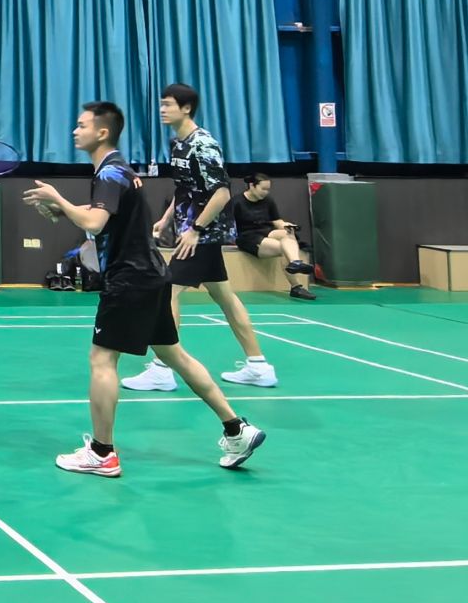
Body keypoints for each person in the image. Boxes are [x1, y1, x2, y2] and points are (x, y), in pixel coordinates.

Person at [23, 101, 267, 477]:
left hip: (129, 280)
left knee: (102, 360)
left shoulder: (109, 172)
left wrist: (59, 200)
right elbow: (106, 216)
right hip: (152, 276)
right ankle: (236, 429)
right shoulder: (120, 169)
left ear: (102, 132)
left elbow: (94, 221)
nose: (75, 130)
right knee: (175, 356)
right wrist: (66, 210)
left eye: (82, 125)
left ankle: (102, 453)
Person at [122, 83, 278, 392]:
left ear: (186, 108)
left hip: (202, 235)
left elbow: (221, 193)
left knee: (166, 292)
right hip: (191, 231)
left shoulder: (203, 144)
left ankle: (162, 369)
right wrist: (166, 220)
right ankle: (259, 366)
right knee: (224, 296)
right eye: (162, 104)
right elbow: (185, 190)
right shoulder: (178, 144)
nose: (162, 109)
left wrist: (195, 229)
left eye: (168, 104)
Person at [236, 171, 316, 300]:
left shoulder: (268, 200)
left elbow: (276, 221)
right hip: (248, 236)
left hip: (266, 231)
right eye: (263, 189)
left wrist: (286, 225)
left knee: (287, 233)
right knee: (284, 248)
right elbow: (229, 224)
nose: (266, 192)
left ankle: (295, 262)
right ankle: (296, 286)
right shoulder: (237, 202)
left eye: (268, 189)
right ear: (252, 186)